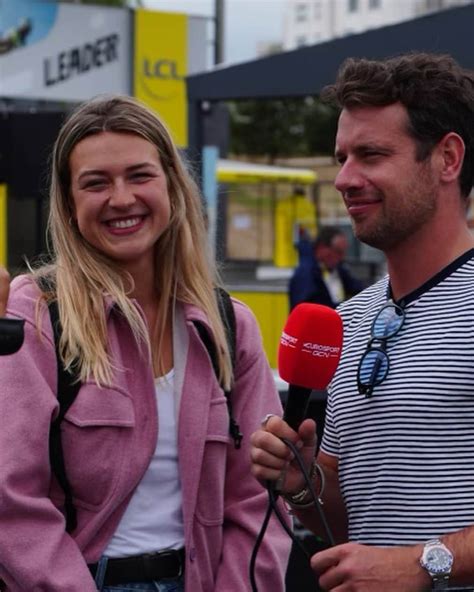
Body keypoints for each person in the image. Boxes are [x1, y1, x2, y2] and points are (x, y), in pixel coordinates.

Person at [0, 95, 291, 591]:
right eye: (96, 183)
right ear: (69, 206)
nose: (121, 198)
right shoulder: (38, 314)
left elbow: (256, 500)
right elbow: (12, 501)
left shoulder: (227, 324)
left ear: (173, 188)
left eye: (139, 175)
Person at [250, 52, 474, 591]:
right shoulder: (346, 321)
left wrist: (423, 564)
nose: (344, 179)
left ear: (447, 158)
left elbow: (404, 561)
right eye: (342, 156)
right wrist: (304, 484)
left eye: (371, 154)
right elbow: (356, 525)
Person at [288, 226, 363, 310]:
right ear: (322, 248)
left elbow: (356, 287)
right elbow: (307, 311)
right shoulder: (305, 274)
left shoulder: (336, 269)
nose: (341, 257)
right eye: (338, 252)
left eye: (343, 252)